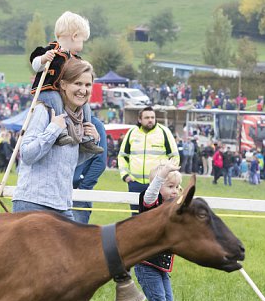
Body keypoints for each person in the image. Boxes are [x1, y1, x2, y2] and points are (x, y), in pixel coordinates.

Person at [12, 58, 99, 301]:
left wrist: (88, 145)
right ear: (62, 84)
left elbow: (67, 162)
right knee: (28, 274)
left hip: (62, 201)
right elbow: (27, 153)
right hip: (33, 200)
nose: (83, 90)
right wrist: (53, 128)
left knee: (59, 275)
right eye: (78, 84)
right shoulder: (44, 111)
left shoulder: (78, 119)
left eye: (87, 85)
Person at [117, 163, 183, 301]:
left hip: (161, 266)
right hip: (146, 264)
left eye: (177, 187)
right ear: (157, 185)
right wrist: (161, 176)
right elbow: (151, 194)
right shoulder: (150, 204)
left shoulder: (172, 209)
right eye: (169, 187)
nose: (174, 191)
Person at [27, 11, 102, 154]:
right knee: (56, 100)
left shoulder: (75, 59)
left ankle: (87, 135)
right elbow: (35, 65)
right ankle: (60, 131)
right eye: (82, 40)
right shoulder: (50, 50)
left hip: (62, 91)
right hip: (47, 89)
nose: (82, 45)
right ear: (74, 36)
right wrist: (43, 59)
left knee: (85, 104)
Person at [117, 106, 179, 213]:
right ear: (139, 119)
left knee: (157, 217)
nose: (150, 120)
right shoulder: (132, 132)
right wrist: (125, 176)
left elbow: (174, 157)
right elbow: (122, 156)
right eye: (147, 118)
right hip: (135, 184)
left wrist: (169, 178)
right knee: (136, 218)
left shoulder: (164, 132)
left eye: (152, 117)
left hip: (158, 185)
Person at [71, 115, 107, 224]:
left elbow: (100, 162)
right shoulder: (62, 120)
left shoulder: (95, 125)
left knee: (76, 237)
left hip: (79, 192)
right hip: (57, 191)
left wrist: (83, 187)